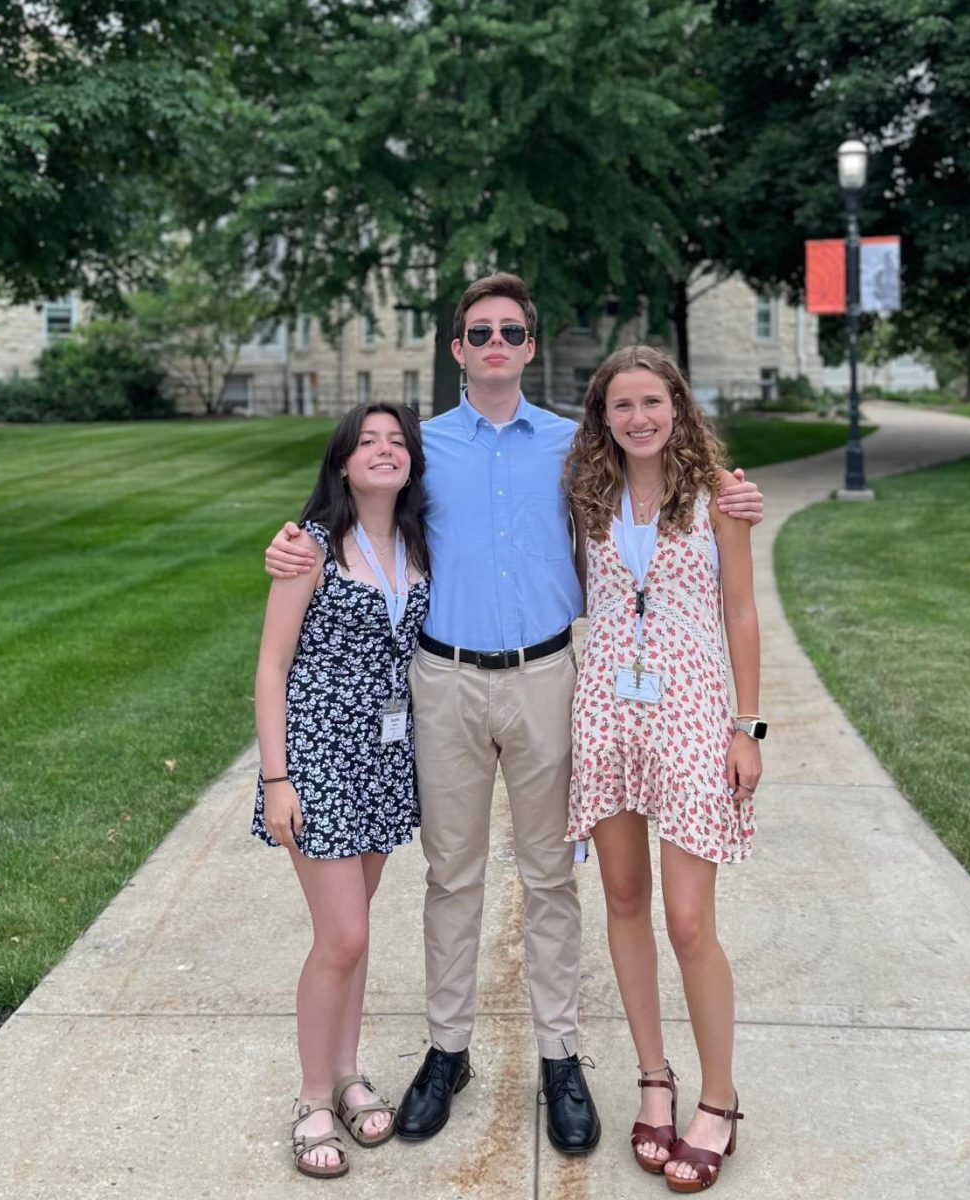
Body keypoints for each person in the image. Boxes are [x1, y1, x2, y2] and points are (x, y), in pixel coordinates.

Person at [263, 273, 765, 1156]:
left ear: (531, 346)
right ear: (457, 348)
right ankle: (447, 1049)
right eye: (478, 332)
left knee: (549, 879)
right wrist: (293, 536)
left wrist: (733, 492)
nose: (495, 345)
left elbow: (664, 465)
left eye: (511, 332)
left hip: (549, 678)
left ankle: (560, 1054)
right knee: (452, 875)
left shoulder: (579, 446)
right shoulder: (420, 447)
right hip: (444, 682)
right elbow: (359, 502)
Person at [565, 345, 762, 1193]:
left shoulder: (721, 495)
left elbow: (743, 612)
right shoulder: (587, 495)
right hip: (606, 712)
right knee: (622, 900)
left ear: (677, 407)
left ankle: (718, 1098)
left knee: (688, 920)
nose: (639, 418)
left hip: (688, 713)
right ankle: (654, 1075)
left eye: (653, 402)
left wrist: (746, 727)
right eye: (622, 406)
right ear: (602, 417)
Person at [254, 402, 430, 1179]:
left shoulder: (420, 542)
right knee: (344, 937)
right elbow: (271, 665)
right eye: (369, 442)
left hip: (388, 761)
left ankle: (350, 1071)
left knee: (354, 934)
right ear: (344, 461)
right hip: (320, 760)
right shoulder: (310, 548)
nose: (384, 451)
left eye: (397, 442)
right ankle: (312, 1097)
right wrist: (276, 777)